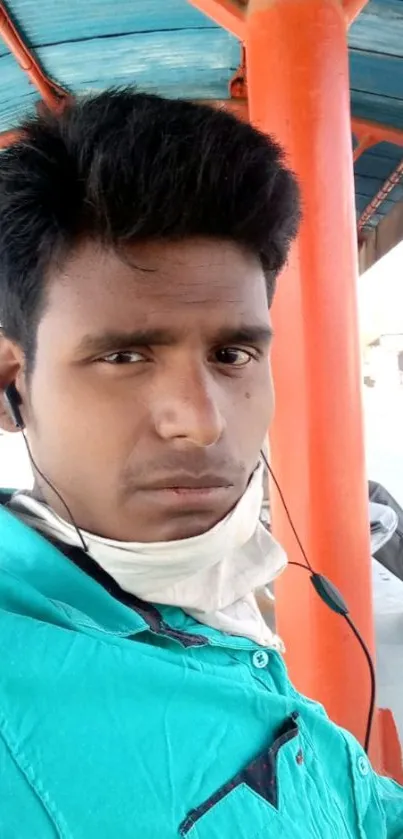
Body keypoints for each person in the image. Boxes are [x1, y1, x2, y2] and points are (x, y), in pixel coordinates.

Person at [0, 90, 401, 839]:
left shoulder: (221, 610)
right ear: (12, 385)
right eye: (123, 355)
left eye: (232, 353)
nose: (203, 419)